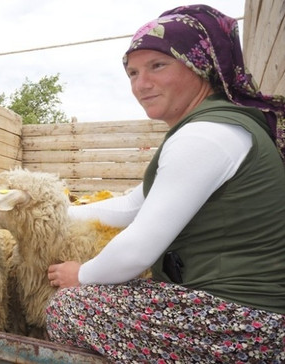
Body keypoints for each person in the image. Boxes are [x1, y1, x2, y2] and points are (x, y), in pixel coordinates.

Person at [45, 4, 285, 363]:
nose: (141, 84)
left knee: (69, 306)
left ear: (200, 64)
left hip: (249, 325)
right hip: (249, 310)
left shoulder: (206, 136)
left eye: (158, 66)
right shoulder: (222, 126)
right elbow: (133, 204)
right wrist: (51, 211)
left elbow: (137, 251)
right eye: (132, 73)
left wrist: (81, 273)